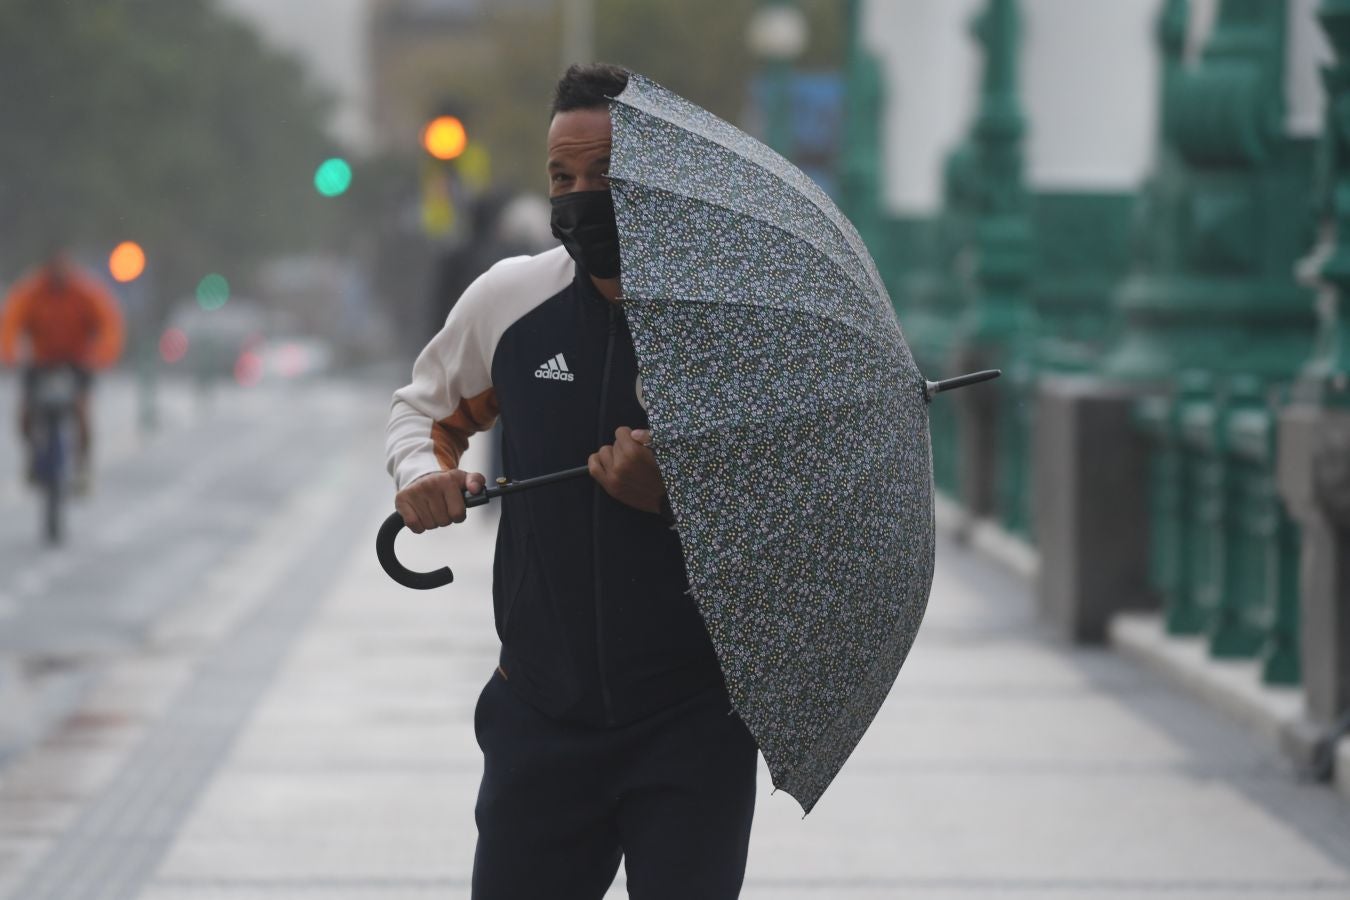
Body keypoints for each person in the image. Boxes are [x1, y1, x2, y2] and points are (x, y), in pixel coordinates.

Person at [386, 64, 758, 899]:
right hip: (539, 715)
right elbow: (423, 414)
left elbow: (789, 517)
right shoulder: (510, 303)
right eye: (563, 177)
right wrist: (422, 477)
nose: (580, 196)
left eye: (605, 176)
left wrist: (670, 500)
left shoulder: (730, 329)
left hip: (693, 720)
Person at [0, 248, 125, 490]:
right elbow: (10, 322)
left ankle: (82, 466)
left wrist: (103, 355)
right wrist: (9, 354)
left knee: (81, 410)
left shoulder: (85, 292)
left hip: (77, 361)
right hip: (41, 360)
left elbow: (109, 322)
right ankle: (33, 454)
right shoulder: (31, 291)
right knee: (26, 411)